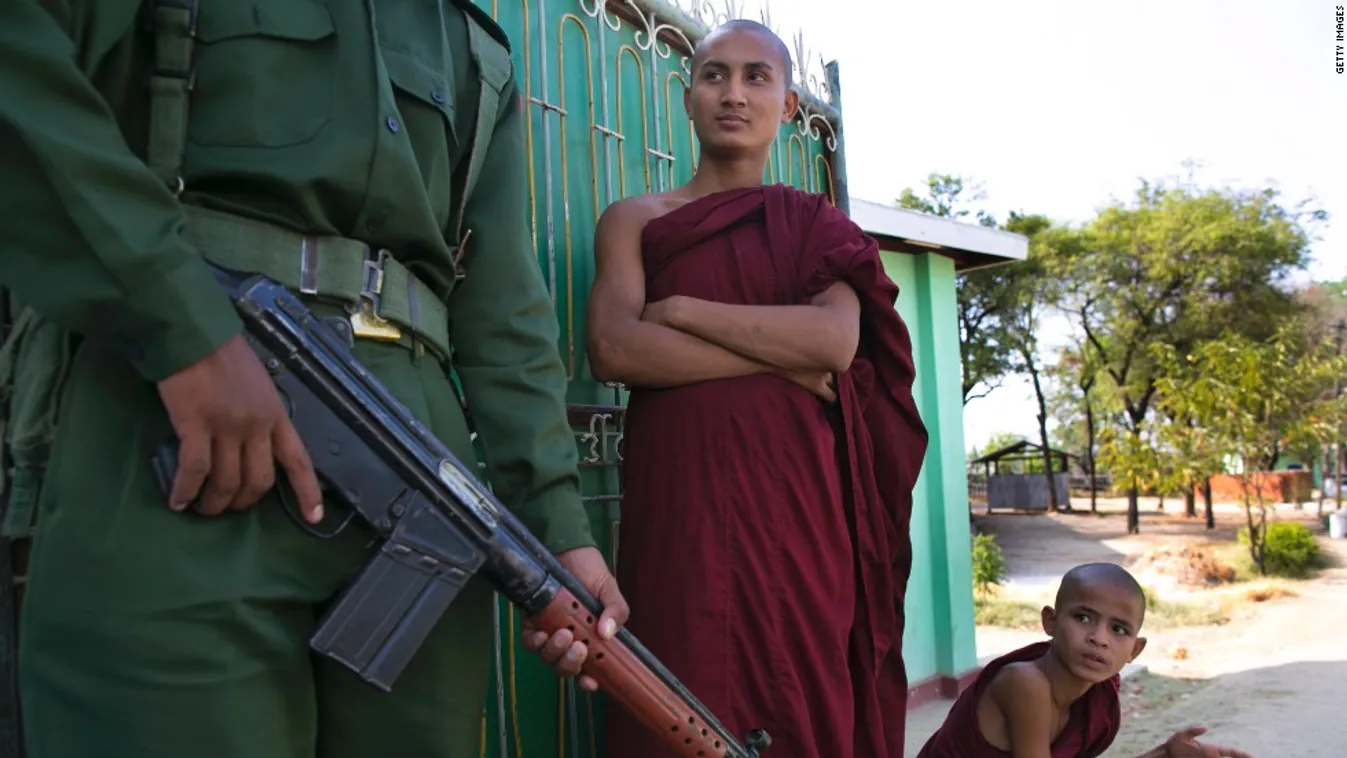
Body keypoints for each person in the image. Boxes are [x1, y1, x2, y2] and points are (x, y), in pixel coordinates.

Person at [0, 1, 628, 757]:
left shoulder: (472, 45)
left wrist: (559, 530)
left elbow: (502, 306)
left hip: (421, 487)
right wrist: (179, 328)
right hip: (190, 429)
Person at [585, 18, 929, 758]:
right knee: (676, 684)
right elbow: (614, 348)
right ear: (688, 98)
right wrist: (779, 359)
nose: (733, 94)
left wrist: (681, 311)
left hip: (795, 511)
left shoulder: (812, 224)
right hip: (679, 502)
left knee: (797, 691)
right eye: (714, 75)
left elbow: (832, 343)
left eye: (755, 77)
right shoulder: (635, 221)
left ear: (788, 105)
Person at [917, 562, 1256, 758]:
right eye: (1083, 618)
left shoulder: (1096, 698)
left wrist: (1165, 754)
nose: (1099, 638)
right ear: (1050, 622)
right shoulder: (1025, 684)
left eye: (1118, 629)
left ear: (1134, 650)